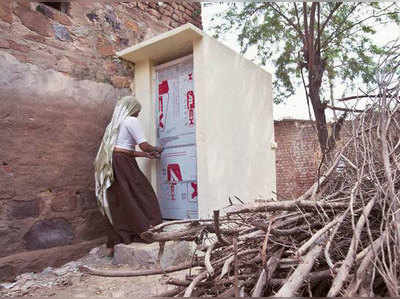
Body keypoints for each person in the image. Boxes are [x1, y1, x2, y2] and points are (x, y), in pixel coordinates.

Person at [94, 95, 163, 250]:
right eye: (137, 111)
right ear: (132, 109)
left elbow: (124, 149)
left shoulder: (114, 125)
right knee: (141, 191)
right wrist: (157, 148)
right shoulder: (131, 121)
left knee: (123, 197)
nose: (138, 114)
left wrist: (145, 155)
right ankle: (148, 228)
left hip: (115, 161)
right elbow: (144, 145)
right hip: (123, 162)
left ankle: (127, 233)